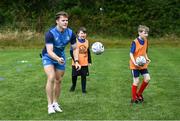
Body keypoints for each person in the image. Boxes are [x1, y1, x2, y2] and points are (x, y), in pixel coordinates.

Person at [41, 11, 81, 114]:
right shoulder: (50, 34)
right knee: (51, 77)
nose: (65, 22)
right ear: (57, 21)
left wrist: (76, 61)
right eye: (63, 20)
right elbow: (49, 51)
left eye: (67, 20)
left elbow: (75, 48)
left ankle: (55, 103)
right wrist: (57, 58)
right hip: (48, 56)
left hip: (61, 57)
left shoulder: (70, 33)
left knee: (58, 80)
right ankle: (49, 105)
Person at [129, 25, 151, 104]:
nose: (146, 35)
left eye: (147, 33)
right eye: (145, 33)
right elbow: (131, 53)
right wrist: (134, 62)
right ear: (139, 33)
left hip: (143, 64)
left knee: (147, 78)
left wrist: (147, 58)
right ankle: (134, 98)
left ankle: (139, 94)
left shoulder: (146, 41)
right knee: (136, 81)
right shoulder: (135, 42)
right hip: (135, 65)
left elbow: (145, 51)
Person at [69, 27, 92, 93]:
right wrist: (75, 61)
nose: (83, 35)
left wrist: (89, 61)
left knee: (84, 76)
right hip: (76, 63)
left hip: (84, 62)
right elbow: (71, 52)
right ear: (78, 34)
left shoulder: (87, 41)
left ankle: (83, 89)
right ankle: (73, 85)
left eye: (84, 33)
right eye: (81, 33)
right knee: (74, 76)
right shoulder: (75, 41)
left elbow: (88, 52)